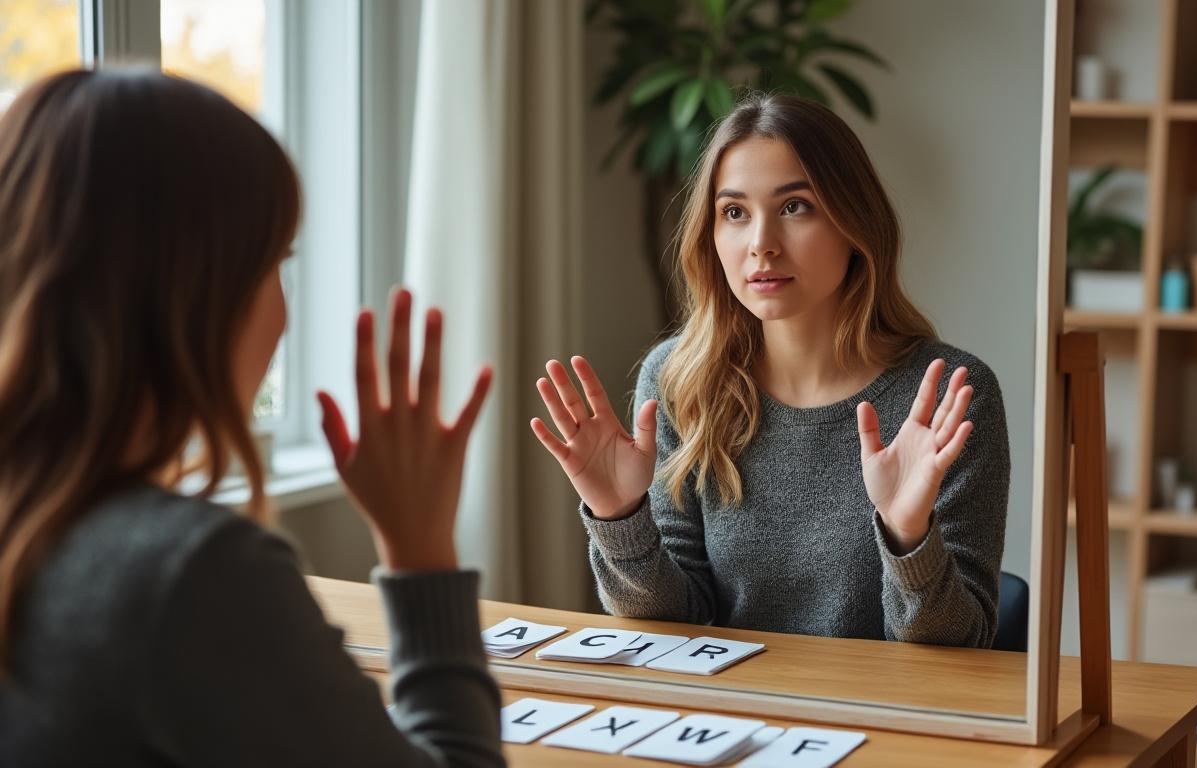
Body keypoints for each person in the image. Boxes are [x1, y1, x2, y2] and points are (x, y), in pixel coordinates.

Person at [0, 68, 502, 766]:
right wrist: (420, 551)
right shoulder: (189, 573)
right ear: (195, 295)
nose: (284, 314)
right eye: (275, 264)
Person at [531, 93, 1009, 648]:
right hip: (729, 721)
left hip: (887, 726)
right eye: (734, 213)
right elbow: (669, 628)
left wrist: (908, 538)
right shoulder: (680, 382)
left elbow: (963, 650)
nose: (761, 245)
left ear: (855, 223)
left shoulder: (948, 396)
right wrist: (621, 518)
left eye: (794, 207)